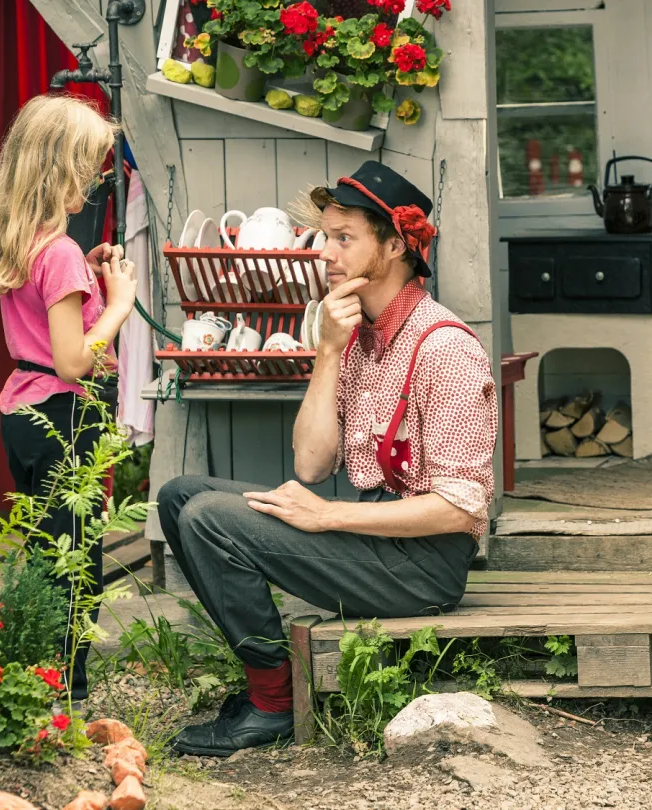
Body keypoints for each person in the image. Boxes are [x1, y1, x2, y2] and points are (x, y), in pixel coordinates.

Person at [157, 160, 498, 757]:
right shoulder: (355, 334)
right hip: (374, 537)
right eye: (324, 238)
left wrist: (326, 517)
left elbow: (460, 508)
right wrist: (328, 353)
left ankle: (272, 705)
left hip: (422, 566)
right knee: (179, 495)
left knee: (209, 517)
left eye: (344, 239)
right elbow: (312, 466)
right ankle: (268, 687)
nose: (326, 253)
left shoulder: (444, 347)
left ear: (395, 246)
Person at [0, 94, 137, 702]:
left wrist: (86, 279)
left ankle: (35, 674)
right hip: (64, 413)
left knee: (46, 549)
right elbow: (73, 359)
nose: (95, 180)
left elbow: (45, 326)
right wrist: (116, 306)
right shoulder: (60, 253)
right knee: (75, 559)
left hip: (24, 409)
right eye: (90, 166)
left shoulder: (25, 243)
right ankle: (65, 690)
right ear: (59, 168)